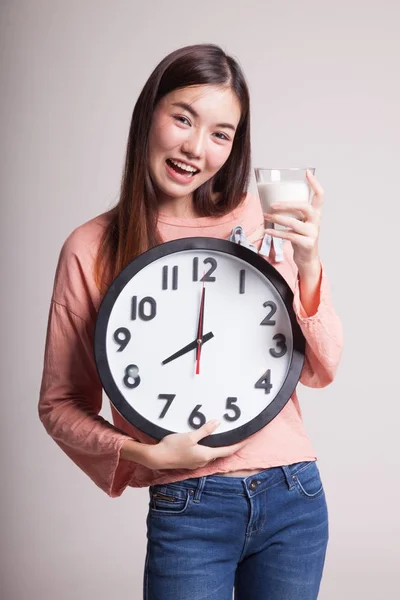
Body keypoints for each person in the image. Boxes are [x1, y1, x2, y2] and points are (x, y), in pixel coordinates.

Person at [38, 43, 343, 600]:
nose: (196, 149)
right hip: (189, 507)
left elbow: (322, 370)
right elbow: (59, 405)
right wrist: (146, 455)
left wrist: (308, 264)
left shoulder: (262, 217)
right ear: (149, 111)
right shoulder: (90, 248)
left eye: (221, 133)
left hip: (294, 493)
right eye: (183, 118)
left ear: (236, 145)